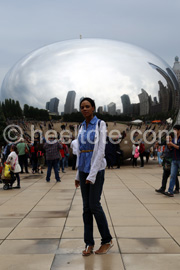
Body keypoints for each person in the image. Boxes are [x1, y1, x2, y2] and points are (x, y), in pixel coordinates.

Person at [75, 97, 113, 256]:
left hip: (96, 170)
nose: (84, 109)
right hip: (83, 169)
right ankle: (88, 243)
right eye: (82, 107)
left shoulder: (100, 124)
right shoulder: (81, 126)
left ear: (93, 108)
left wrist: (92, 174)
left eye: (87, 106)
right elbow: (79, 151)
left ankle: (107, 240)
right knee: (85, 208)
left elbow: (100, 150)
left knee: (94, 205)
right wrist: (78, 174)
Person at [164, 125, 180, 197]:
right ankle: (170, 191)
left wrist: (172, 145)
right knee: (173, 176)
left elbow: (179, 147)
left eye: (175, 130)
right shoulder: (175, 139)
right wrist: (169, 146)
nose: (174, 131)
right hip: (174, 160)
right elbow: (172, 148)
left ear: (179, 130)